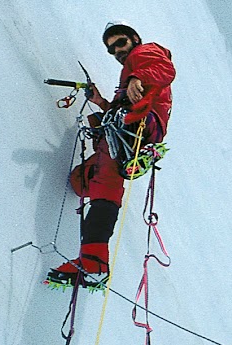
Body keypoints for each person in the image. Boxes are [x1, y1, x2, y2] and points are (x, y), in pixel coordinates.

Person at [46, 24, 175, 288]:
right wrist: (101, 101)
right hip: (128, 130)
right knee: (82, 181)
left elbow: (165, 69)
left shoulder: (144, 54)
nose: (117, 50)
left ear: (135, 39)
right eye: (111, 48)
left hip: (136, 125)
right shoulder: (131, 72)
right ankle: (93, 259)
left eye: (121, 42)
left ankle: (94, 262)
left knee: (106, 184)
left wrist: (136, 79)